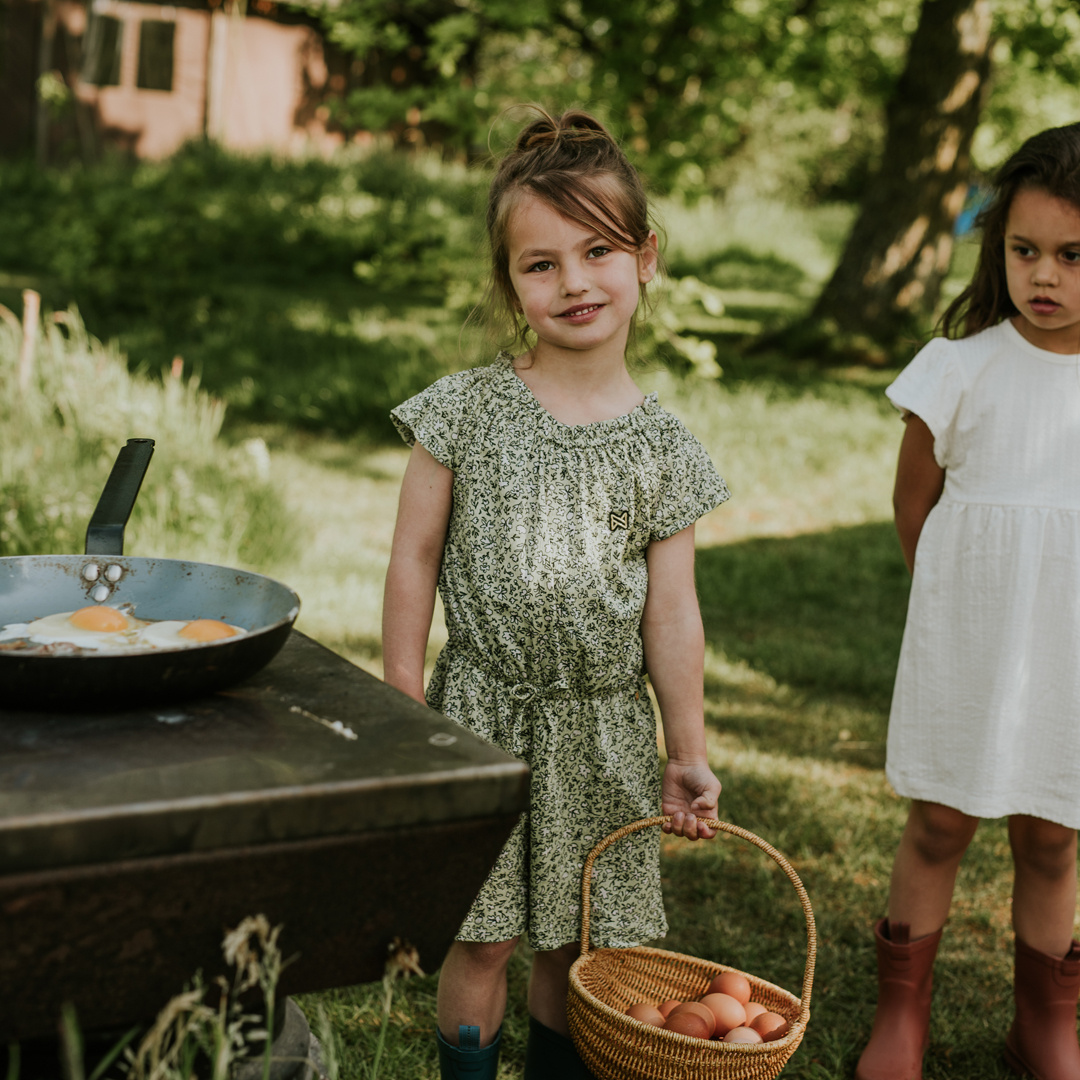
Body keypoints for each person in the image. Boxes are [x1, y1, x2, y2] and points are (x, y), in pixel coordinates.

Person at [381, 106, 728, 1080]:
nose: (574, 282)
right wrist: (403, 699)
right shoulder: (467, 409)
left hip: (603, 730)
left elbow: (673, 612)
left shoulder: (665, 450)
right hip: (481, 713)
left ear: (645, 257)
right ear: (511, 283)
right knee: (483, 937)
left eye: (598, 252)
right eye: (541, 264)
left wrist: (686, 751)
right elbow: (412, 558)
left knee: (578, 945)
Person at [858, 121, 1080, 1080]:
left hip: (1070, 647)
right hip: (969, 639)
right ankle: (901, 1016)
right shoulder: (959, 368)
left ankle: (1046, 1022)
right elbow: (916, 508)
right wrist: (957, 608)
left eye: (1074, 256)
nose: (1045, 275)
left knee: (1052, 833)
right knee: (941, 823)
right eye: (1024, 250)